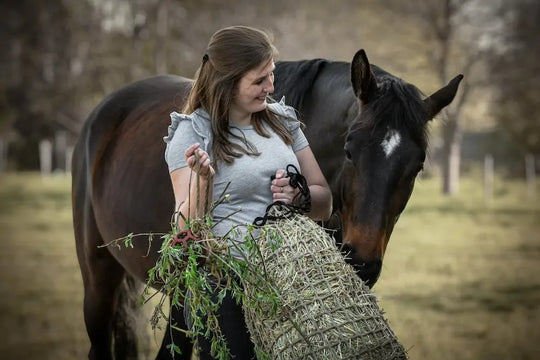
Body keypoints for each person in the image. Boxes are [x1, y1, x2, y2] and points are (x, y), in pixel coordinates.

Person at [163, 25, 332, 359]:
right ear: (226, 83)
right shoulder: (192, 132)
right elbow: (184, 230)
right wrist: (202, 182)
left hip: (290, 281)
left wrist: (300, 197)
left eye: (271, 75)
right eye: (259, 81)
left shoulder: (283, 121)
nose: (270, 87)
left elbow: (324, 201)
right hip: (224, 288)